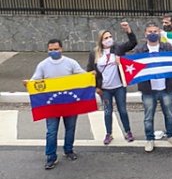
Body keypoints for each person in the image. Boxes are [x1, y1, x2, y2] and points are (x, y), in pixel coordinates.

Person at [28, 39, 85, 170]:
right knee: (51, 132)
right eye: (51, 50)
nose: (53, 52)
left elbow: (82, 76)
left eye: (56, 49)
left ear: (61, 49)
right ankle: (50, 157)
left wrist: (90, 75)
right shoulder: (43, 65)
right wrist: (28, 83)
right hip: (52, 105)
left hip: (69, 103)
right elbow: (35, 80)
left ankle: (69, 150)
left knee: (70, 128)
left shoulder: (71, 63)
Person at [131, 23, 172, 152]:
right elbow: (131, 64)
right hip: (148, 89)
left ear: (159, 33)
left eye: (155, 31)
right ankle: (149, 139)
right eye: (150, 31)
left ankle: (171, 135)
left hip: (165, 87)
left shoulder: (166, 47)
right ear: (145, 34)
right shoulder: (140, 50)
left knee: (169, 114)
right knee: (148, 116)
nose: (153, 33)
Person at [86, 22, 137, 145]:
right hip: (105, 89)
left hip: (119, 86)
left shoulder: (118, 49)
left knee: (123, 110)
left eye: (110, 37)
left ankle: (128, 132)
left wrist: (128, 31)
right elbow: (90, 71)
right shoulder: (95, 53)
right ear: (100, 41)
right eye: (106, 38)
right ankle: (108, 134)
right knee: (108, 111)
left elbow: (132, 43)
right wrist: (96, 87)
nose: (109, 39)